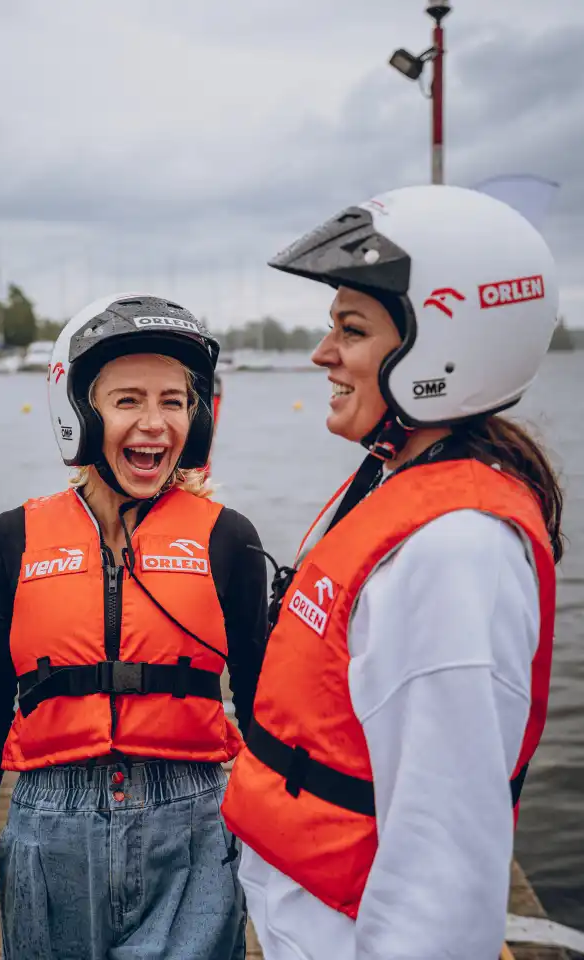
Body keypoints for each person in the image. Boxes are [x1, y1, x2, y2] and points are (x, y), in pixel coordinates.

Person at [222, 185, 563, 960]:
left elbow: (443, 868)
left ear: (443, 346)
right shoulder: (399, 482)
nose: (323, 354)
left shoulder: (454, 551)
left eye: (351, 329)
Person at [0, 293, 268, 960]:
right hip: (49, 825)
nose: (155, 424)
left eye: (174, 401)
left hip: (197, 827)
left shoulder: (228, 540)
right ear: (80, 414)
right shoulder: (13, 539)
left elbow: (264, 709)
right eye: (128, 401)